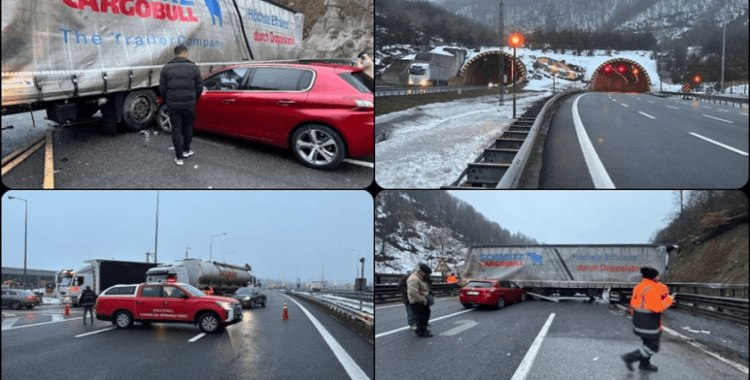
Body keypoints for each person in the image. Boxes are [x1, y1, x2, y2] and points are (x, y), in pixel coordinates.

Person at [621, 267, 674, 372]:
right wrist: (669, 299)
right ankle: (629, 358)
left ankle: (644, 364)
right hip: (649, 323)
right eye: (658, 275)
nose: (659, 277)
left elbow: (633, 304)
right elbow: (656, 307)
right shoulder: (652, 288)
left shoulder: (639, 286)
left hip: (638, 321)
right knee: (653, 347)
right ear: (654, 277)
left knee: (646, 344)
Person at [159, 45, 203, 166]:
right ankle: (186, 150)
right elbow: (199, 87)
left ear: (175, 54)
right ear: (186, 53)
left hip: (173, 103)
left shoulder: (166, 68)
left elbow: (162, 88)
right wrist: (195, 98)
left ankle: (179, 158)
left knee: (176, 129)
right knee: (188, 127)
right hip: (189, 103)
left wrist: (167, 100)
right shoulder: (193, 67)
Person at [407, 263, 432, 338]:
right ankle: (422, 332)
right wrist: (423, 299)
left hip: (421, 300)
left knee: (425, 314)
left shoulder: (419, 277)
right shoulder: (414, 278)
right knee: (421, 316)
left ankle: (421, 329)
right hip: (417, 301)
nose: (426, 275)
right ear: (421, 271)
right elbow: (412, 292)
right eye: (426, 273)